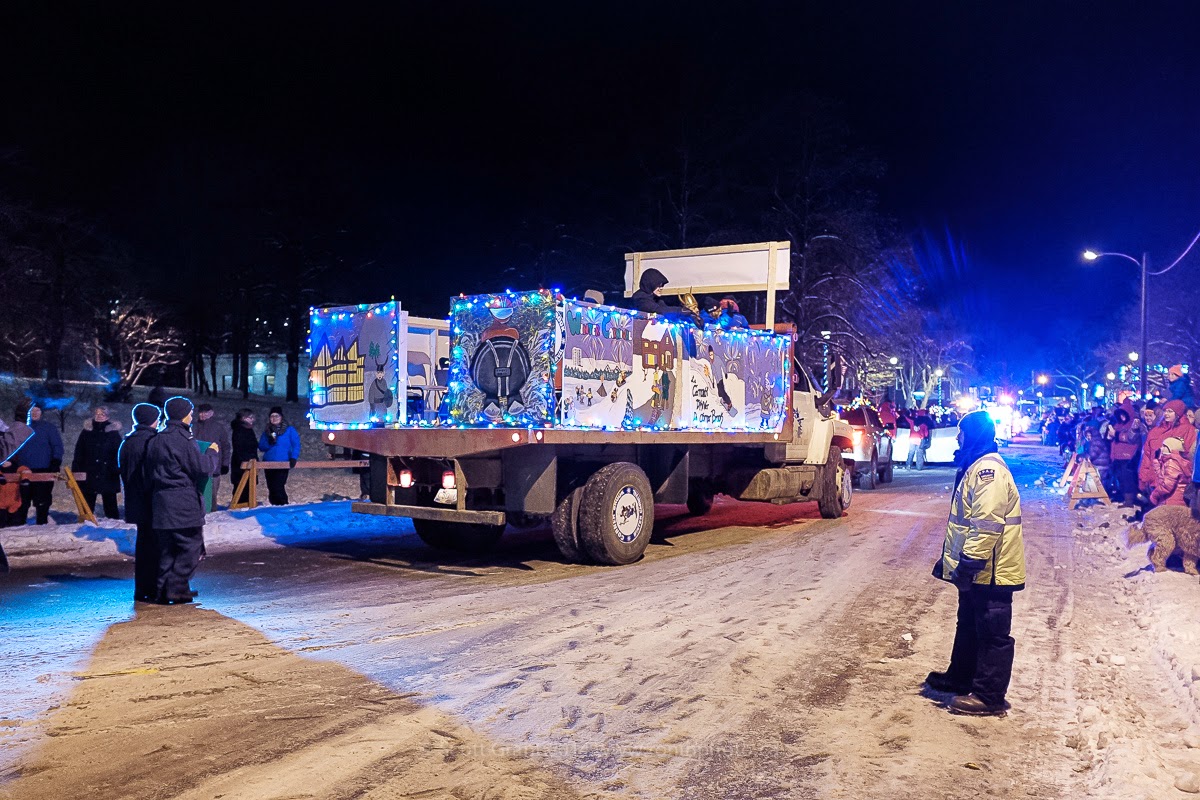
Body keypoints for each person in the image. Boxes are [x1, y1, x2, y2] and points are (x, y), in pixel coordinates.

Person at [926, 410, 1025, 716]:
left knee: (992, 630)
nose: (958, 437)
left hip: (990, 569)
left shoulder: (988, 471)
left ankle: (989, 695)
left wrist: (970, 562)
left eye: (962, 432)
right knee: (968, 624)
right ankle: (961, 678)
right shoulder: (977, 465)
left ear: (974, 434)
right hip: (979, 568)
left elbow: (987, 523)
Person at [146, 396, 217, 604]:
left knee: (168, 549)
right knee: (191, 547)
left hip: (161, 501)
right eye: (190, 412)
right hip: (183, 501)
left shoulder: (157, 439)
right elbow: (202, 468)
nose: (192, 416)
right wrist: (212, 454)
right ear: (183, 414)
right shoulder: (184, 440)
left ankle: (164, 590)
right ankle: (176, 588)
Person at [119, 403, 161, 602]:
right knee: (154, 546)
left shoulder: (127, 441)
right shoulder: (151, 441)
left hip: (135, 501)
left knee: (143, 545)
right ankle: (152, 588)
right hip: (150, 501)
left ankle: (142, 588)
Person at [14, 403, 64, 526]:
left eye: (37, 410)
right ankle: (19, 525)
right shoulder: (20, 428)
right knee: (22, 500)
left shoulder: (48, 428)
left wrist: (56, 461)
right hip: (23, 469)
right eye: (32, 411)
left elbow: (57, 446)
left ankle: (42, 523)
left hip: (44, 468)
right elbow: (13, 447)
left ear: (41, 413)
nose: (35, 413)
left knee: (42, 499)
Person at [71, 406, 123, 519]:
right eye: (97, 414)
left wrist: (116, 467)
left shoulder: (113, 433)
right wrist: (76, 469)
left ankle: (114, 523)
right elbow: (79, 451)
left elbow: (119, 452)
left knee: (110, 501)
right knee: (88, 500)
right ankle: (86, 521)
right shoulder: (86, 432)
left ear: (107, 416)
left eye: (102, 414)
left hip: (108, 471)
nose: (99, 416)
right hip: (89, 470)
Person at [1139, 400, 1196, 496]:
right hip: (1154, 478)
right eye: (1165, 411)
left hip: (1175, 481)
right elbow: (1147, 456)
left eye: (1170, 411)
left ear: (1178, 413)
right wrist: (1143, 478)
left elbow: (1189, 455)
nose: (1166, 414)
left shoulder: (1188, 430)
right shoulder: (1155, 431)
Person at [190, 403, 231, 513]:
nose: (203, 415)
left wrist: (225, 464)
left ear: (211, 413)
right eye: (201, 412)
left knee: (212, 495)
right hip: (197, 467)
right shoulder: (193, 427)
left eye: (206, 412)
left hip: (214, 467)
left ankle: (212, 515)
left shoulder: (218, 428)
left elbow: (226, 446)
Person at [259, 406, 301, 505]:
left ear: (281, 417)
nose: (274, 418)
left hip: (283, 462)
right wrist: (269, 442)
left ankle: (283, 505)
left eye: (276, 416)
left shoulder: (289, 430)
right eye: (272, 416)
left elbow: (296, 444)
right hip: (268, 462)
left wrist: (293, 457)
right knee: (271, 486)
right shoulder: (267, 431)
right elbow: (261, 446)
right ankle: (274, 506)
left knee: (279, 486)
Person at [1108, 400, 1144, 507]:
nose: (1122, 416)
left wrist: (1116, 434)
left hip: (1128, 456)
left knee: (1128, 478)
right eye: (1120, 414)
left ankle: (1129, 500)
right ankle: (1123, 496)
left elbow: (1131, 437)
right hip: (1118, 456)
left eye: (1124, 414)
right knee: (1121, 478)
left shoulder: (1134, 424)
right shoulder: (1118, 424)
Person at [1149, 437, 1191, 508]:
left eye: (1164, 446)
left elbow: (1166, 486)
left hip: (1170, 502)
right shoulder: (1180, 461)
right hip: (1179, 501)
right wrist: (1156, 463)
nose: (1161, 448)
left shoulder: (1172, 463)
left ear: (1170, 448)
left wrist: (1154, 496)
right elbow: (1163, 478)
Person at [230, 408, 259, 504]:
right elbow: (240, 448)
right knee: (240, 488)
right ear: (243, 418)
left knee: (249, 489)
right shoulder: (240, 430)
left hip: (250, 463)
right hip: (242, 465)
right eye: (249, 417)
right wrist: (247, 461)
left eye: (252, 418)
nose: (252, 420)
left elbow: (253, 447)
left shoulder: (249, 430)